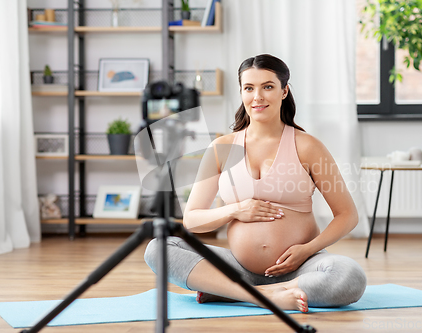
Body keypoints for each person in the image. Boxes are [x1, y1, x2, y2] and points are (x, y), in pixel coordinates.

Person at [144, 54, 366, 313]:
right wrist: (235, 210)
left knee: (350, 276)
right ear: (241, 93)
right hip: (237, 267)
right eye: (249, 88)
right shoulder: (221, 148)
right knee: (158, 248)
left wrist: (307, 250)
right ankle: (267, 295)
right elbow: (192, 220)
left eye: (267, 87)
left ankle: (231, 292)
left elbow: (347, 215)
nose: (257, 97)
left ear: (284, 91)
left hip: (301, 268)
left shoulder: (308, 146)